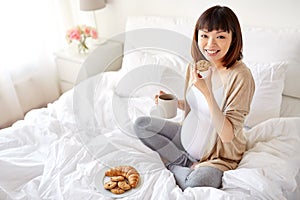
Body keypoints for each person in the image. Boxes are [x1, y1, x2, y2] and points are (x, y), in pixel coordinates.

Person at [133, 5, 255, 190]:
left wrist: (207, 92)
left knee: (197, 182)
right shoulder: (196, 66)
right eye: (204, 35)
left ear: (234, 39)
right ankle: (183, 162)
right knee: (141, 125)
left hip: (218, 155)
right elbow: (196, 108)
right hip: (186, 139)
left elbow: (228, 134)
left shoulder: (240, 76)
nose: (210, 44)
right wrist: (176, 102)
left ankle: (174, 165)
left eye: (220, 36)